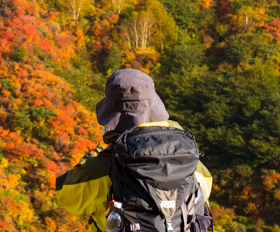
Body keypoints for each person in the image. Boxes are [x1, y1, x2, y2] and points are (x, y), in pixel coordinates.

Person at [55, 69, 212, 231]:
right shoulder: (186, 158)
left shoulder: (101, 168)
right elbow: (205, 186)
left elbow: (65, 195)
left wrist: (97, 152)